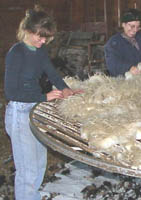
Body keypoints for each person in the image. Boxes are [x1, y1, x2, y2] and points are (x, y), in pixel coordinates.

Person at [4, 5, 82, 200]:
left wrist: (65, 88)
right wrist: (44, 97)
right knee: (27, 169)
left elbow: (52, 73)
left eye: (46, 37)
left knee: (39, 163)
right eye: (39, 36)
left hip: (35, 109)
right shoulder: (17, 53)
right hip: (20, 111)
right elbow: (10, 91)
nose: (43, 41)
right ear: (28, 31)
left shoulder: (40, 51)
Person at [104, 8, 141, 77]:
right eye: (132, 26)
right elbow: (112, 64)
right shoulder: (114, 43)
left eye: (137, 27)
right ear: (123, 24)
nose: (135, 30)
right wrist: (128, 68)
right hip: (123, 81)